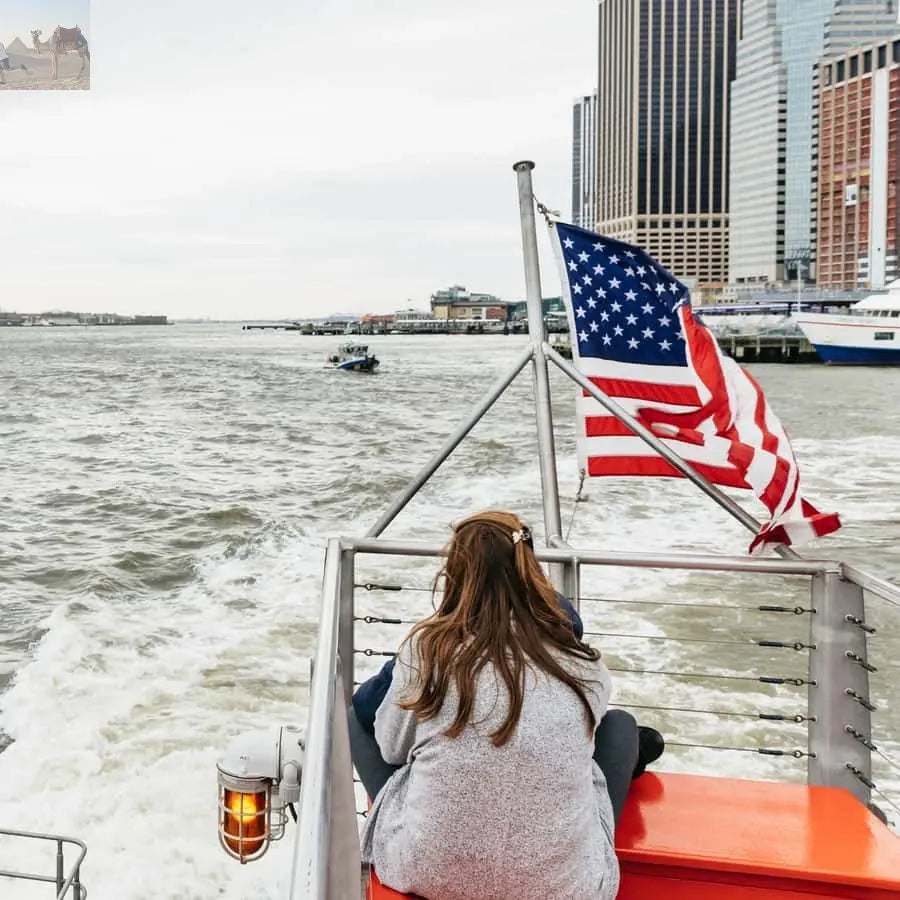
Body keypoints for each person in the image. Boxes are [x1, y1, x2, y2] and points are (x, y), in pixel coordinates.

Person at [349, 510, 664, 900]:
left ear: (454, 576)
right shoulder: (581, 663)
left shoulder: (426, 651)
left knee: (355, 716)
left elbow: (391, 747)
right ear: (532, 571)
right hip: (564, 888)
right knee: (619, 726)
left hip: (428, 871)